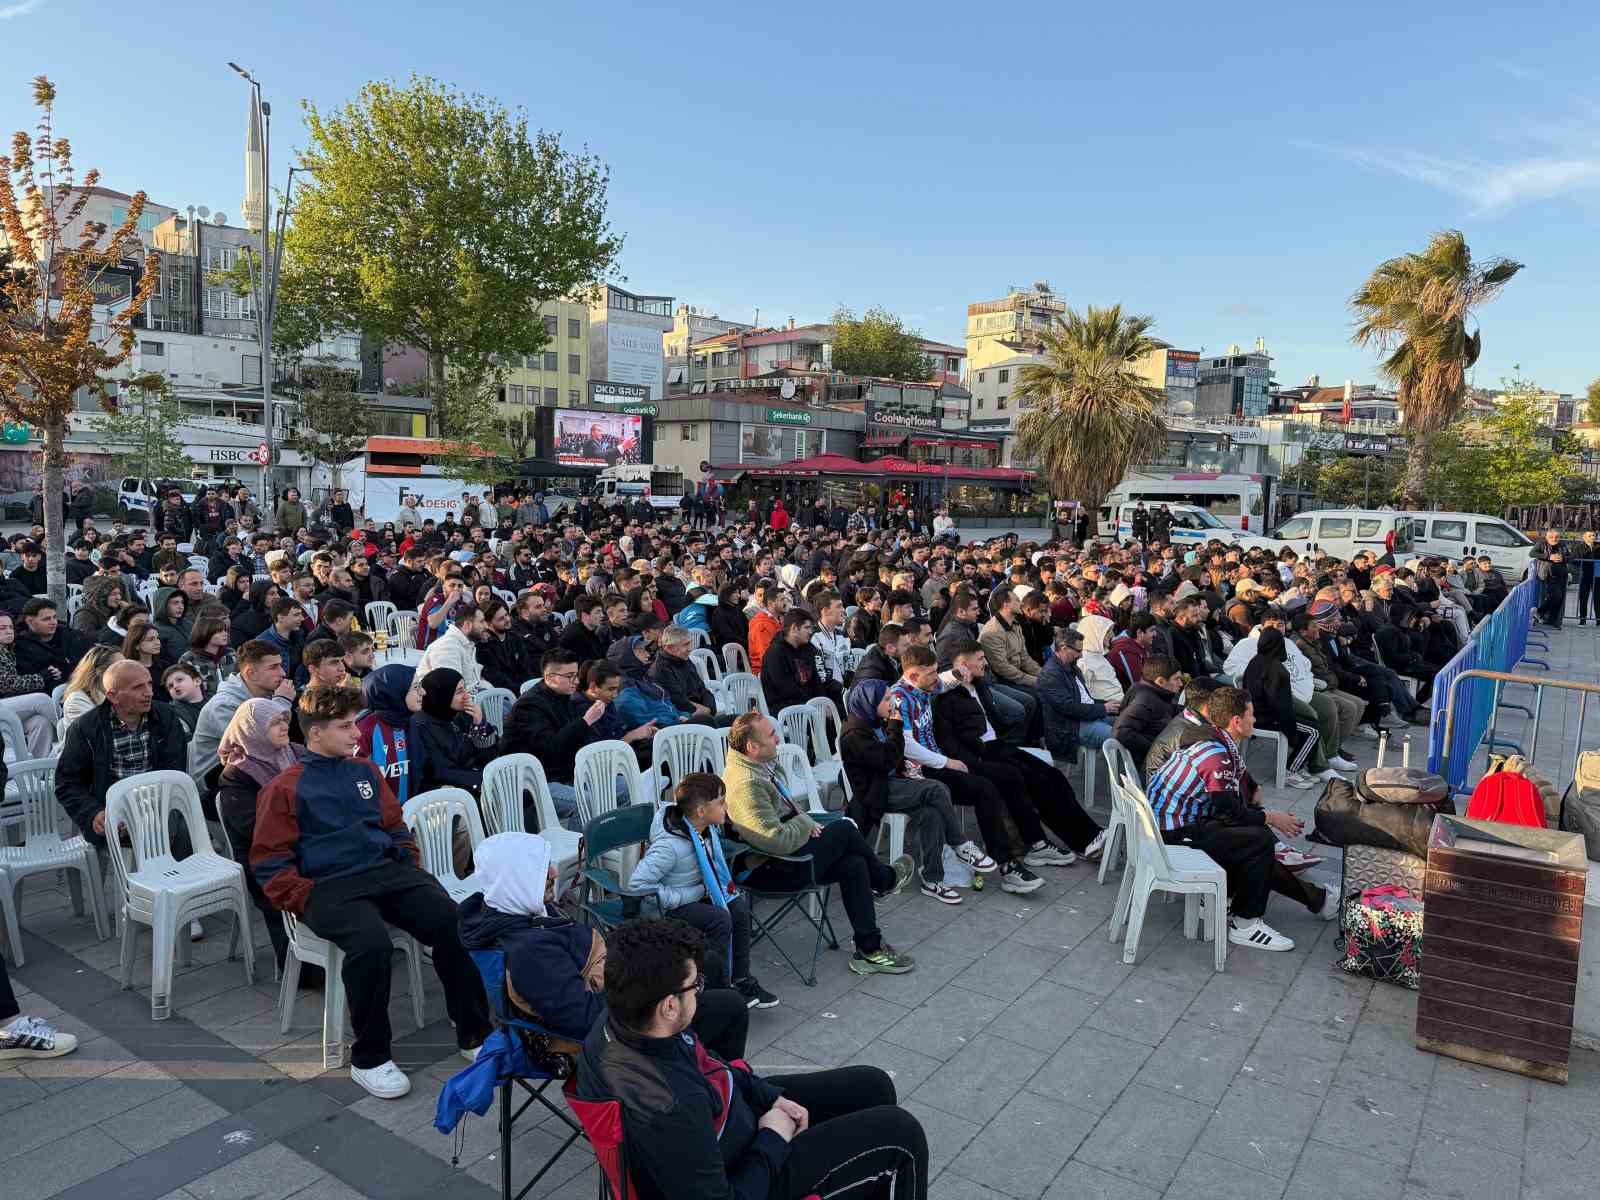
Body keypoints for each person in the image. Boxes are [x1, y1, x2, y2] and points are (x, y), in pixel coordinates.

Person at [574, 917, 929, 1200]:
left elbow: (711, 1063)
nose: (700, 991)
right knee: (901, 1134)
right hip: (747, 1171)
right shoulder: (670, 1106)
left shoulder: (626, 1019)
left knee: (872, 1085)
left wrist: (770, 1097)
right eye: (695, 985)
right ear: (668, 1006)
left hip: (734, 1122)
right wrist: (773, 1136)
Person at [251, 685, 491, 1099]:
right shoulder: (285, 787)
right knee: (371, 945)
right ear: (315, 733)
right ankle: (370, 1057)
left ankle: (474, 1032)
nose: (355, 733)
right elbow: (269, 861)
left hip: (385, 871)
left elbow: (394, 825)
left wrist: (405, 861)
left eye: (354, 724)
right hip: (329, 886)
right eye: (344, 726)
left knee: (452, 920)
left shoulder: (364, 770)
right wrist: (305, 896)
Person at [460, 833, 752, 1063]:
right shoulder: (530, 952)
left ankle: (698, 1065)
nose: (553, 872)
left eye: (547, 864)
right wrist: (652, 990)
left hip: (608, 990)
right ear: (513, 880)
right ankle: (714, 1089)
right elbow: (585, 1019)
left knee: (706, 963)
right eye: (539, 870)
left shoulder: (516, 909)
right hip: (607, 1032)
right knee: (730, 1007)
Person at [1145, 685, 1338, 951]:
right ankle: (1246, 923)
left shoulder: (1213, 739)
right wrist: (1271, 817)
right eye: (1251, 715)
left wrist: (1262, 811)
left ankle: (1317, 900)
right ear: (1236, 721)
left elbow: (1229, 806)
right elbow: (1228, 812)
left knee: (1253, 837)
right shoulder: (1216, 754)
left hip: (1176, 825)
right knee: (1258, 841)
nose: (1255, 720)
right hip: (1172, 835)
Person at [722, 712, 915, 975]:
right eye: (771, 735)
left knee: (854, 864)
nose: (778, 739)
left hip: (784, 857)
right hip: (768, 870)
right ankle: (885, 880)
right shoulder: (745, 785)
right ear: (752, 747)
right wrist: (805, 823)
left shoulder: (758, 765)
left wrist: (804, 822)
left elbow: (787, 815)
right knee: (845, 829)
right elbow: (775, 840)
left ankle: (869, 950)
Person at [934, 639, 1108, 863]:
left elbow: (994, 720)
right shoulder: (947, 693)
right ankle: (1063, 843)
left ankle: (1091, 835)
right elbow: (950, 735)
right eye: (980, 659)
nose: (985, 663)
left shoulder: (979, 685)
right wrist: (974, 758)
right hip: (980, 752)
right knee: (1036, 781)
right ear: (963, 664)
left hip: (997, 745)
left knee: (1054, 775)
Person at [629, 773, 778, 1008]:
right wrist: (690, 895)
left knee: (738, 908)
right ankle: (717, 987)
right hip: (665, 909)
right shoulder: (669, 846)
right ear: (701, 811)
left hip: (698, 894)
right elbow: (638, 886)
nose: (726, 806)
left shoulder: (704, 830)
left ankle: (741, 980)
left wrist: (705, 891)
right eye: (721, 802)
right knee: (719, 919)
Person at [841, 676, 989, 904]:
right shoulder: (854, 734)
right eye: (886, 699)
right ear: (870, 702)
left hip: (892, 784)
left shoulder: (874, 720)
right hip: (876, 793)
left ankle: (932, 879)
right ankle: (959, 843)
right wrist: (895, 728)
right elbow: (886, 760)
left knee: (932, 814)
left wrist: (905, 766)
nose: (892, 703)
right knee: (936, 788)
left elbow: (894, 759)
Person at [216, 697, 298, 972]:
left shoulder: (292, 752)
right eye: (274, 723)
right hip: (266, 860)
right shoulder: (237, 775)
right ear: (252, 731)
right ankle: (300, 965)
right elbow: (258, 830)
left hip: (302, 844)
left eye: (284, 719)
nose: (284, 726)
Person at [189, 638, 299, 797]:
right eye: (273, 667)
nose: (282, 673)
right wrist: (282, 702)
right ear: (251, 673)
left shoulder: (266, 695)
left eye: (280, 665)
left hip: (247, 775)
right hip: (214, 788)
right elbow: (260, 745)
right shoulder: (224, 705)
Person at [1240, 628, 1321, 789]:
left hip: (1253, 714)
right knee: (1313, 731)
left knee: (1310, 723)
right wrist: (1291, 734)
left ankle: (1298, 765)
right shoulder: (1277, 670)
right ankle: (1290, 770)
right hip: (1267, 719)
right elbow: (1282, 708)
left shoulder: (1255, 661)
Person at [408, 667, 498, 796]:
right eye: (459, 691)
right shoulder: (421, 727)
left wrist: (480, 724)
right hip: (451, 793)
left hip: (475, 781)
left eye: (465, 688)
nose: (467, 696)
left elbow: (489, 758)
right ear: (442, 695)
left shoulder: (461, 715)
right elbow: (442, 772)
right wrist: (484, 779)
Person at [1037, 628, 1120, 764]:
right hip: (1069, 728)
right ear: (1064, 648)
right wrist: (1104, 708)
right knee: (1122, 736)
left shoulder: (1071, 667)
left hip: (1083, 719)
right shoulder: (1051, 674)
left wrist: (1109, 704)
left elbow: (1085, 700)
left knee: (1128, 725)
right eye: (1078, 651)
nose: (1081, 655)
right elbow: (1069, 708)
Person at [0, 611, 60, 756]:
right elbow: (7, 684)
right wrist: (41, 678)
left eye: (10, 627)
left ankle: (36, 768)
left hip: (7, 705)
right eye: (2, 628)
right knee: (41, 699)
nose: (8, 631)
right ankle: (71, 733)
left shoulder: (10, 650)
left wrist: (49, 674)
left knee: (40, 723)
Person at [1112, 654, 1184, 774]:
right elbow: (1121, 732)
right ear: (1160, 681)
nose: (1181, 684)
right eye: (1176, 679)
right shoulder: (1144, 700)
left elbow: (1169, 709)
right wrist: (1156, 748)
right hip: (1150, 768)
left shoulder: (1157, 694)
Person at [759, 607, 838, 713]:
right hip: (785, 709)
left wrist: (823, 703)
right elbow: (786, 689)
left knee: (839, 709)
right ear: (794, 628)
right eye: (807, 628)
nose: (811, 632)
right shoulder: (775, 653)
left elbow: (816, 681)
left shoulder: (808, 648)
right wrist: (813, 706)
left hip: (808, 704)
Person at [414, 600, 487, 695]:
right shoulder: (447, 648)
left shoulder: (468, 643)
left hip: (470, 696)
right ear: (467, 625)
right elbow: (451, 692)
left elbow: (474, 683)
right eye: (481, 621)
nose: (486, 626)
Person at [1531, 528, 1570, 628]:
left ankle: (1552, 620)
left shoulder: (1563, 545)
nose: (1554, 539)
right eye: (1551, 537)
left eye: (1556, 537)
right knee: (1555, 597)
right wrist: (1549, 556)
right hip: (1548, 574)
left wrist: (1563, 558)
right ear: (1547, 537)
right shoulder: (1541, 544)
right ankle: (1539, 611)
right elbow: (1532, 553)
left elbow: (1571, 557)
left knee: (1559, 599)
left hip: (1562, 574)